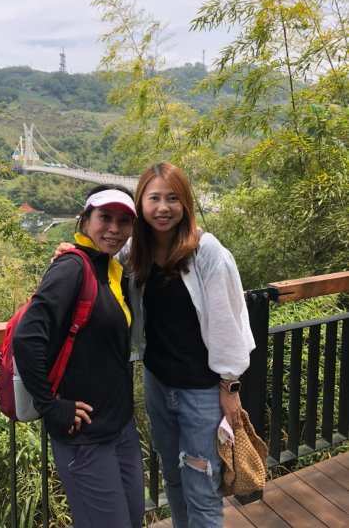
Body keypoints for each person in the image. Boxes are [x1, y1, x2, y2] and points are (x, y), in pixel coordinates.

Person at [124, 162, 255, 528]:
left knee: (202, 487)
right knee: (174, 476)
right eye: (154, 198)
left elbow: (228, 323)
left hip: (200, 392)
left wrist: (230, 386)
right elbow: (100, 260)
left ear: (185, 205)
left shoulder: (206, 251)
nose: (163, 207)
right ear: (141, 204)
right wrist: (71, 252)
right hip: (158, 382)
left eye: (172, 198)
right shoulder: (138, 252)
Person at [13, 185, 145, 528]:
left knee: (132, 518)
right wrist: (50, 405)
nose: (114, 229)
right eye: (104, 218)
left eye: (123, 221)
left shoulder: (113, 269)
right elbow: (26, 338)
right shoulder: (71, 268)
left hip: (120, 428)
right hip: (85, 437)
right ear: (85, 220)